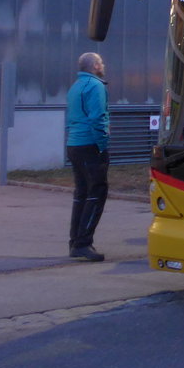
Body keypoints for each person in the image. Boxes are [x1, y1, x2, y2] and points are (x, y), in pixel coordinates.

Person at [66, 52, 109, 261]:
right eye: (100, 62)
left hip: (74, 144)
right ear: (94, 66)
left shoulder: (75, 86)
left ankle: (75, 242)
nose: (103, 65)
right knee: (96, 192)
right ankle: (83, 243)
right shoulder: (96, 86)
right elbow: (98, 118)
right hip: (90, 145)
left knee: (81, 193)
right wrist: (102, 146)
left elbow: (72, 117)